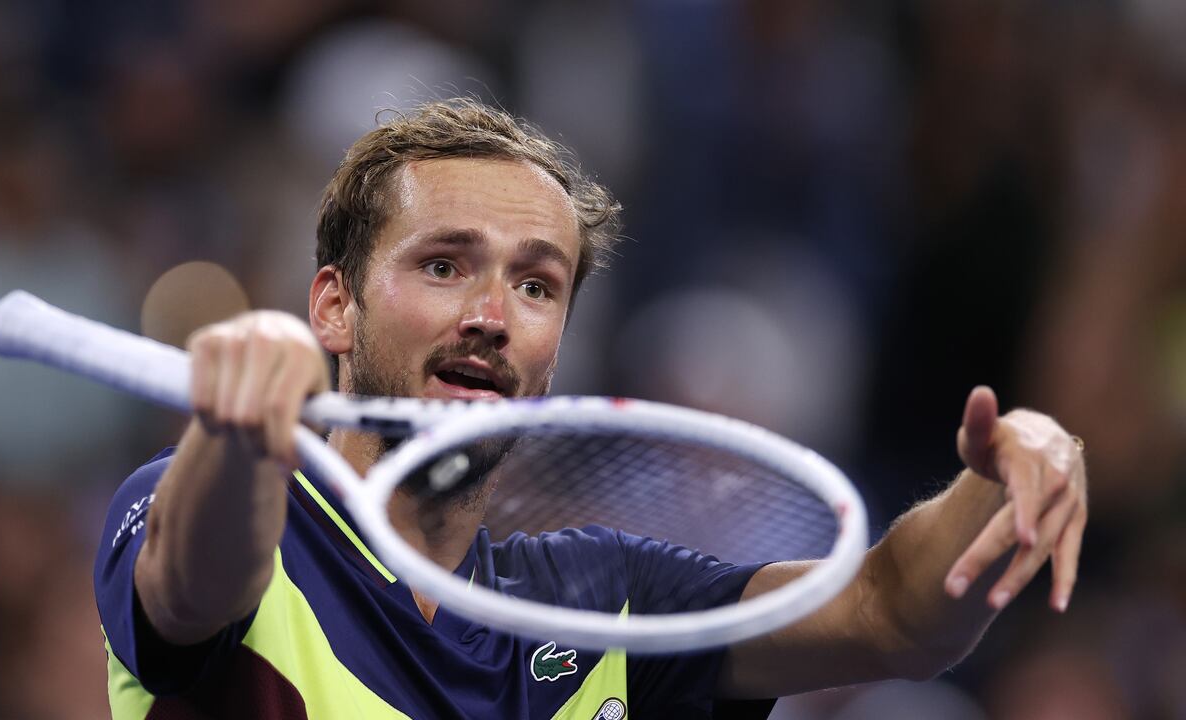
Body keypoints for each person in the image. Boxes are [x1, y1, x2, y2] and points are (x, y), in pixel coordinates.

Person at [94, 99, 1088, 719]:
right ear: (333, 307)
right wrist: (233, 440)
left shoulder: (605, 607)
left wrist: (1014, 474)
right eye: (443, 266)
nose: (491, 317)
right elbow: (191, 584)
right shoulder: (203, 512)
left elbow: (890, 613)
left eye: (535, 286)